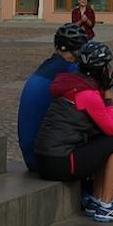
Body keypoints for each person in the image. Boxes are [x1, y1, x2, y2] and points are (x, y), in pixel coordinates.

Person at [31, 38, 113, 224]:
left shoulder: (76, 84)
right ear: (101, 70)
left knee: (104, 140)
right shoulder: (87, 94)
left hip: (48, 158)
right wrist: (111, 102)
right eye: (107, 67)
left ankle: (97, 199)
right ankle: (106, 206)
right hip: (60, 161)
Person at [16, 23, 87, 174]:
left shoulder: (47, 66)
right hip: (44, 158)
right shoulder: (69, 70)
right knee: (110, 140)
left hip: (30, 154)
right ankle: (100, 195)